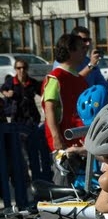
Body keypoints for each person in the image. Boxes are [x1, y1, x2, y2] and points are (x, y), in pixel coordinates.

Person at [41, 33, 88, 181]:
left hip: (81, 142)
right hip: (64, 144)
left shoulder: (79, 79)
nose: (85, 50)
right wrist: (56, 137)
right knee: (64, 186)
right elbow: (49, 108)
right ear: (70, 50)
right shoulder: (56, 77)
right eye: (81, 47)